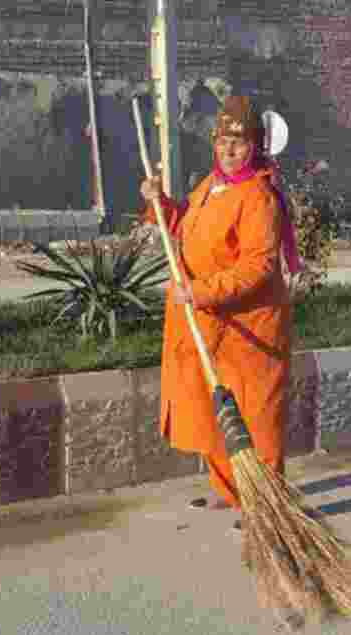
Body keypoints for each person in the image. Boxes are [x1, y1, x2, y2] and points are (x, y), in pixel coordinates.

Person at [139, 95, 302, 528]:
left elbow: (259, 266)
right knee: (216, 409)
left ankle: (267, 508)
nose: (229, 150)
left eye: (239, 142)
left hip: (251, 328)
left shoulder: (258, 196)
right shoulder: (210, 185)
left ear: (256, 146)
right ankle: (230, 492)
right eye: (222, 140)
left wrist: (202, 292)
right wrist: (161, 205)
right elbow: (186, 225)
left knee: (255, 417)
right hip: (211, 323)